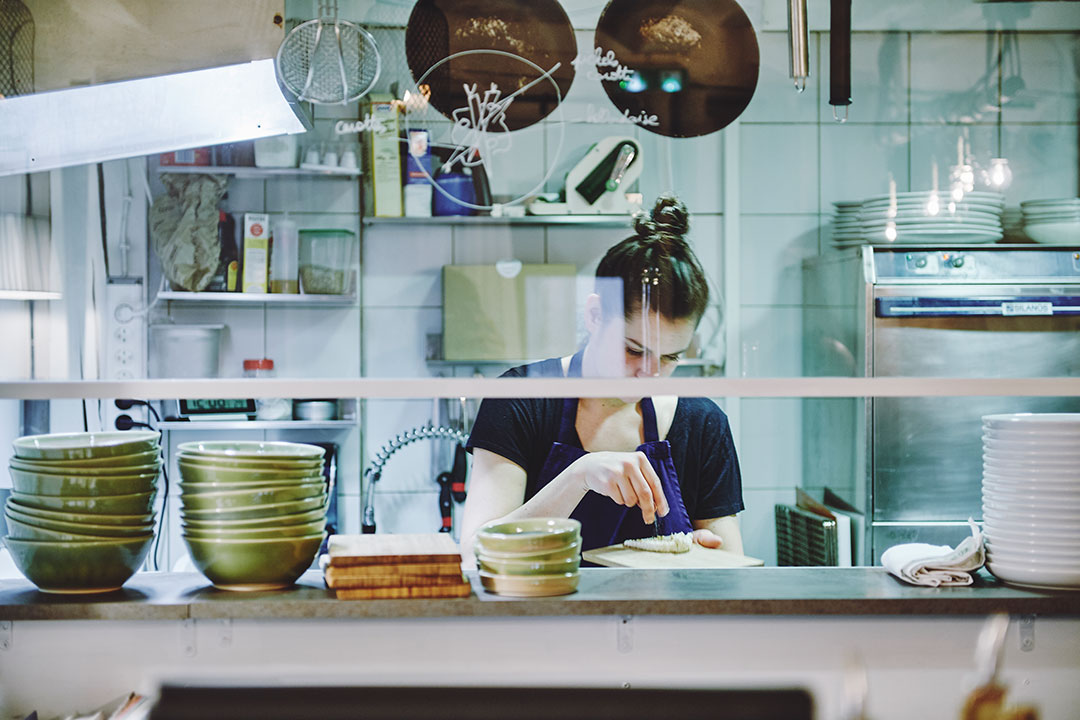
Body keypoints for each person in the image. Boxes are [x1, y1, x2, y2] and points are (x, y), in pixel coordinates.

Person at [460, 194, 745, 557]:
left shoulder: (704, 424)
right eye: (634, 350)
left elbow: (732, 568)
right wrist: (579, 477)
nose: (650, 373)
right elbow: (474, 553)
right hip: (542, 615)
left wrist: (704, 558)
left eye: (671, 356)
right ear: (594, 315)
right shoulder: (522, 399)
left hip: (659, 616)